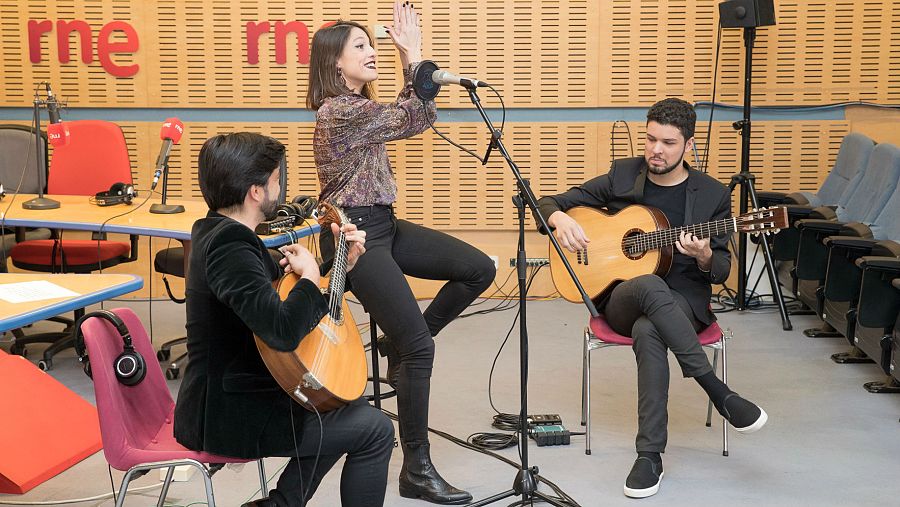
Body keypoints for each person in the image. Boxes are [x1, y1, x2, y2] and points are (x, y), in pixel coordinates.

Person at [306, 2, 496, 504]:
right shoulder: (338, 112)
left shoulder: (359, 109)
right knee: (422, 350)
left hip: (383, 224)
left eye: (373, 44)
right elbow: (412, 115)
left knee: (479, 268)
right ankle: (416, 467)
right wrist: (412, 55)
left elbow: (414, 114)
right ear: (334, 63)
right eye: (362, 47)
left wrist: (412, 64)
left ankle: (399, 348)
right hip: (353, 237)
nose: (373, 53)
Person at [536, 98, 768, 499]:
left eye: (668, 142)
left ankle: (649, 456)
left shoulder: (711, 195)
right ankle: (718, 390)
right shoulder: (624, 175)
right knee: (646, 285)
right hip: (622, 298)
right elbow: (545, 202)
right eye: (650, 139)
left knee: (650, 329)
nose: (655, 150)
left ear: (689, 145)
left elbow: (722, 269)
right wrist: (559, 218)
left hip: (683, 304)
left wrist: (705, 255)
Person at [173, 132, 394, 507]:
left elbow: (276, 304)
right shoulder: (230, 247)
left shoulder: (220, 232)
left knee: (344, 406)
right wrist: (309, 277)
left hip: (243, 392)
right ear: (255, 192)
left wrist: (340, 265)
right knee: (374, 429)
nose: (280, 188)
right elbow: (282, 331)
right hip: (231, 414)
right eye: (276, 180)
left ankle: (281, 504)